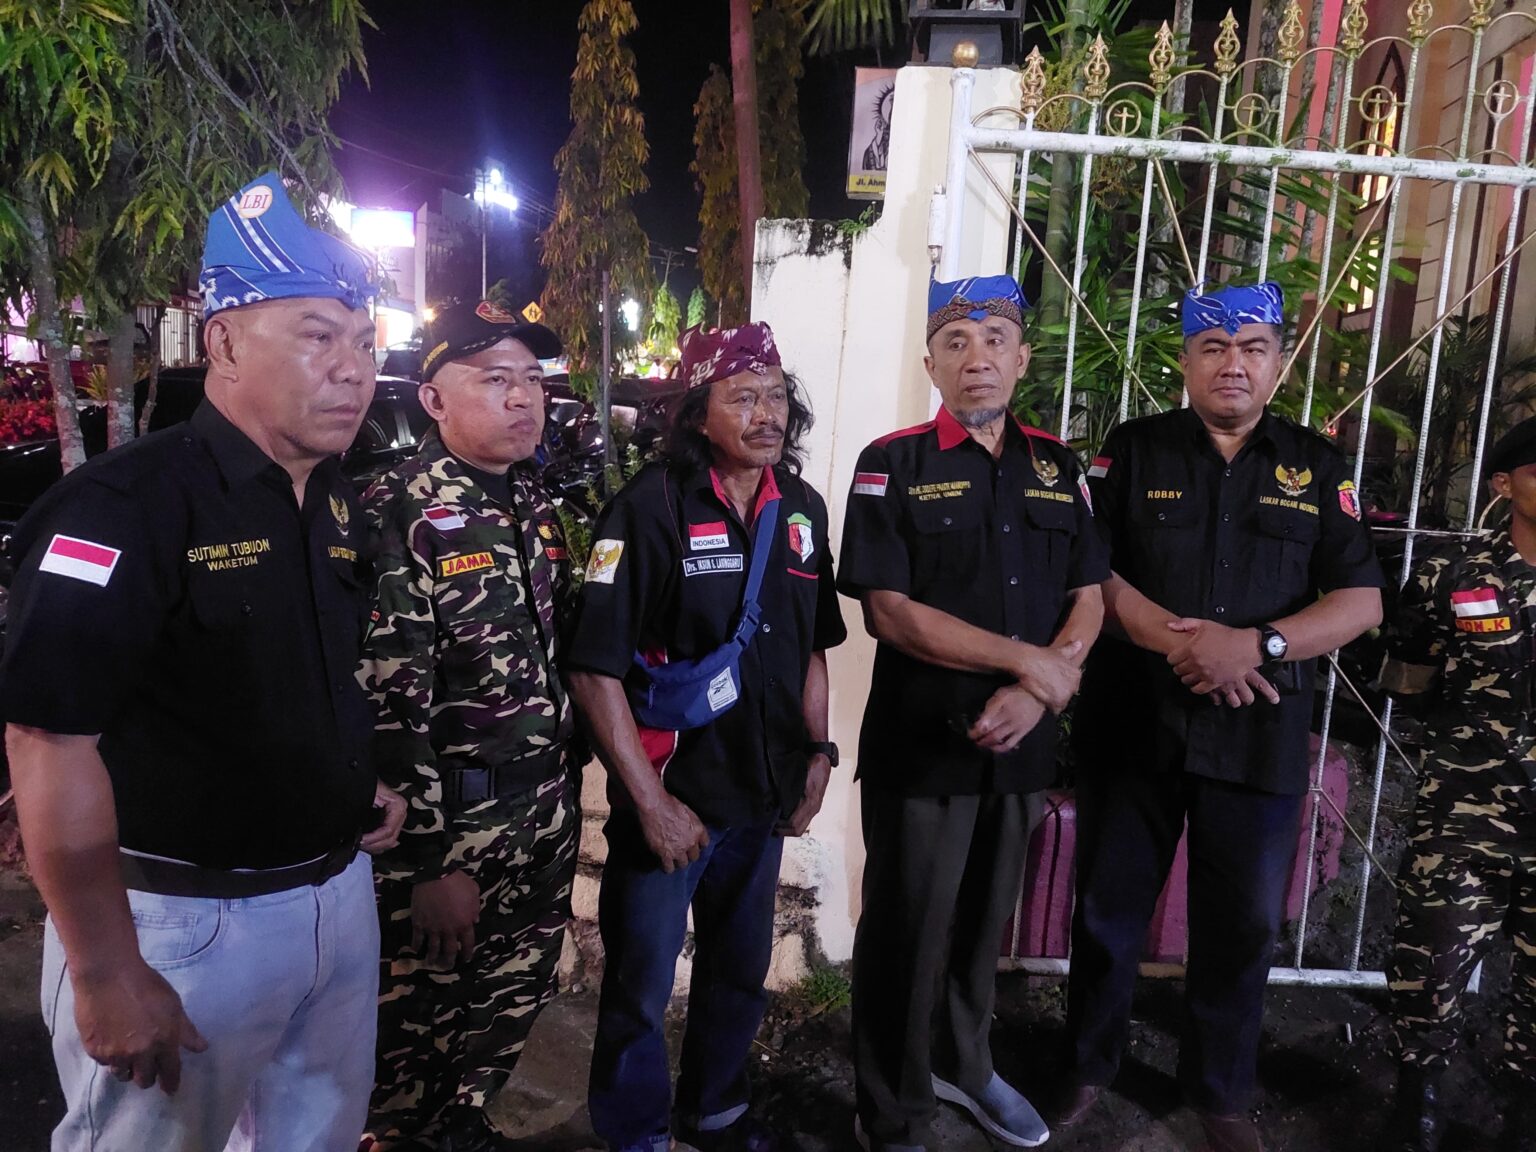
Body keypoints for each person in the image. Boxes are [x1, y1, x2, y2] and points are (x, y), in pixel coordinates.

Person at [0, 172, 407, 1152]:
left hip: (335, 900)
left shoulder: (337, 500)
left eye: (365, 343)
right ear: (223, 341)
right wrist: (103, 970)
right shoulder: (125, 507)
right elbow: (48, 738)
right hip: (181, 927)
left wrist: (353, 776)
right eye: (317, 337)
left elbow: (301, 675)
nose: (353, 369)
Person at [1058, 281, 1384, 1152]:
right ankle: (1087, 1068)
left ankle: (1220, 1090)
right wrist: (1184, 645)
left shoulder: (1316, 466)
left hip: (1259, 726)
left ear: (1277, 365)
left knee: (1240, 920)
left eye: (1251, 348)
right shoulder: (1132, 451)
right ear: (1186, 362)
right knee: (1106, 909)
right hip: (1136, 720)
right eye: (1213, 348)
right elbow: (1096, 571)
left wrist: (1258, 646)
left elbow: (1359, 601)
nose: (1231, 363)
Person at [838, 274, 1105, 1151]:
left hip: (1023, 745)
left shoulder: (1059, 467)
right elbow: (889, 608)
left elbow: (1090, 595)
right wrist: (1019, 660)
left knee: (989, 924)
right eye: (956, 342)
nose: (976, 357)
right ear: (931, 362)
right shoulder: (892, 461)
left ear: (1023, 358)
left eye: (994, 339)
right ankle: (896, 1108)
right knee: (907, 932)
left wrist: (1038, 686)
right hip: (925, 746)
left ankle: (969, 1065)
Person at [566, 322, 846, 1152]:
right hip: (675, 807)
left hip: (761, 799)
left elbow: (813, 644)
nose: (767, 414)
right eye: (743, 397)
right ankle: (635, 1135)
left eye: (775, 395)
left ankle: (716, 1114)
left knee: (738, 973)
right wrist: (648, 804)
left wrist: (820, 754)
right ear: (695, 413)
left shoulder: (800, 509)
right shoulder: (646, 511)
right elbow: (593, 668)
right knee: (641, 989)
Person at [358, 300, 579, 1152]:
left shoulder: (530, 500)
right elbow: (389, 702)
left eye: (533, 380)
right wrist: (429, 865)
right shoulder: (398, 507)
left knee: (506, 1006)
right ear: (434, 399)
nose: (524, 398)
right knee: (413, 1035)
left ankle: (466, 1122)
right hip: (450, 829)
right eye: (496, 380)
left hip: (541, 817)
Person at [1376, 416, 1536, 1152]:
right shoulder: (1453, 576)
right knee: (1428, 968)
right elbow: (1409, 677)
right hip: (1463, 816)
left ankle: (1520, 1109)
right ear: (1503, 486)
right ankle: (1418, 1103)